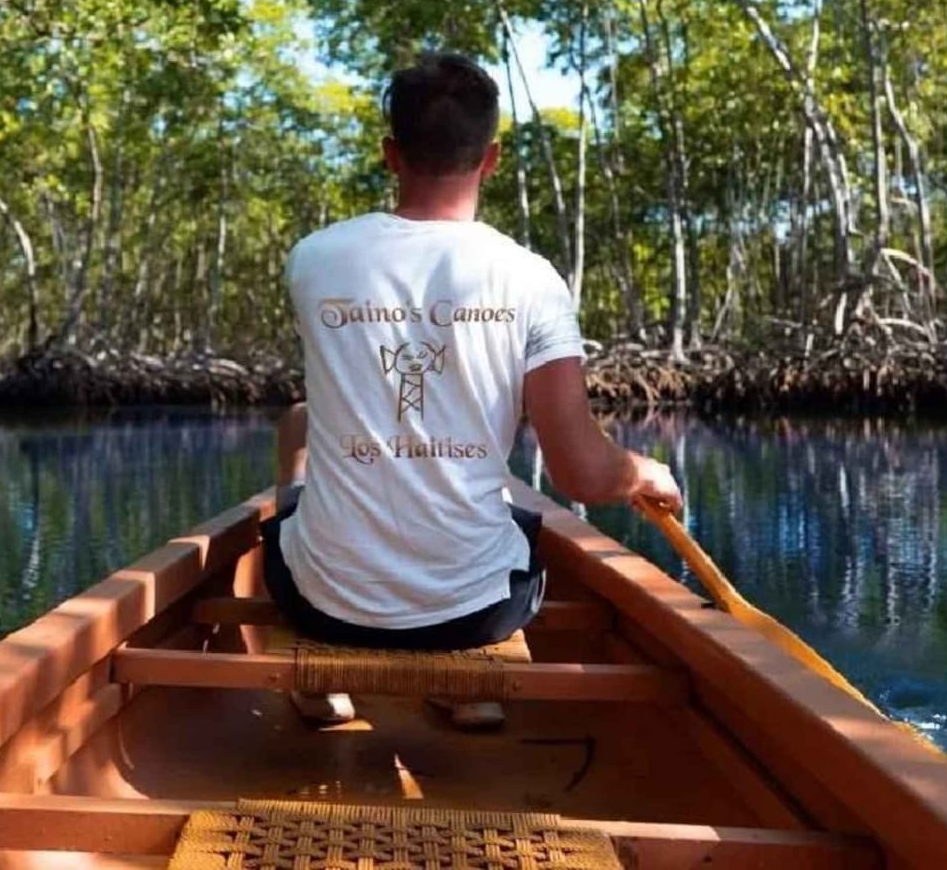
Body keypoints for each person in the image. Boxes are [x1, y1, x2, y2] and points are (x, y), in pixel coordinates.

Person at [263, 51, 683, 728]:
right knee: (518, 524)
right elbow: (579, 468)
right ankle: (465, 689)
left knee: (295, 440)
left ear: (389, 154)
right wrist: (642, 471)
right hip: (476, 614)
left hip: (321, 602)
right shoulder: (530, 278)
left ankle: (321, 684)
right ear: (490, 160)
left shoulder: (314, 258)